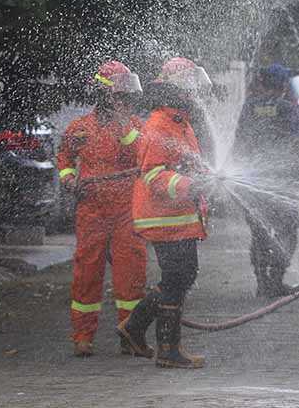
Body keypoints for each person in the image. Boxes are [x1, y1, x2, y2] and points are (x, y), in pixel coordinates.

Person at [118, 57, 213, 369]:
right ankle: (167, 350)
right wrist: (190, 185)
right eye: (190, 90)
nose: (194, 96)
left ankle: (134, 328)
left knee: (182, 276)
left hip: (179, 217)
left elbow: (187, 164)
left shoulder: (179, 123)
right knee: (177, 277)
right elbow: (153, 174)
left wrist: (207, 177)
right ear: (176, 91)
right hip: (164, 217)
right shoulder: (160, 125)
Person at [57, 61, 146, 357]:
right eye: (117, 94)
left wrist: (124, 127)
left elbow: (143, 156)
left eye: (125, 95)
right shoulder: (79, 128)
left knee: (130, 273)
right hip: (91, 210)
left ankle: (129, 334)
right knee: (86, 272)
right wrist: (70, 182)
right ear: (103, 94)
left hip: (126, 211)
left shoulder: (134, 127)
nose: (123, 100)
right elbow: (65, 159)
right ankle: (83, 336)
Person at [233, 64, 299, 297]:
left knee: (259, 233)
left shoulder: (248, 108)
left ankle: (262, 282)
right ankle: (276, 279)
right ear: (283, 86)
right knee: (288, 230)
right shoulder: (287, 108)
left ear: (261, 83)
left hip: (253, 183)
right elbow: (295, 143)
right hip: (281, 183)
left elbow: (239, 143)